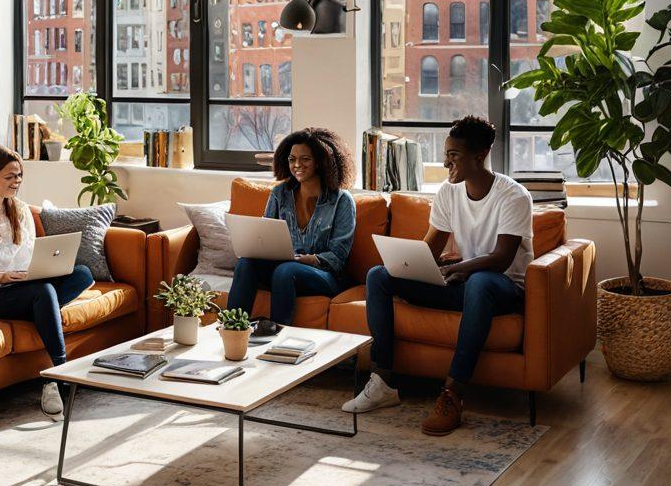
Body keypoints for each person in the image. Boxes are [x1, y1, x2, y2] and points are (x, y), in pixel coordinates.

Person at [343, 115, 533, 436]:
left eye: (454, 155)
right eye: (446, 154)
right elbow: (431, 248)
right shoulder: (448, 192)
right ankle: (384, 381)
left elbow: (501, 260)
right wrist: (410, 263)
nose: (446, 162)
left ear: (480, 155)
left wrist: (459, 267)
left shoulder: (513, 196)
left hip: (501, 289)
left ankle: (453, 393)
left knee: (481, 281)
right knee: (379, 276)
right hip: (463, 284)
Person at [0, 145, 95, 420]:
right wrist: (3, 277)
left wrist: (42, 268)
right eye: (9, 176)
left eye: (19, 176)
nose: (16, 182)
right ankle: (60, 372)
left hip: (24, 286)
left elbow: (30, 256)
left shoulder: (21, 210)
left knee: (82, 274)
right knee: (44, 292)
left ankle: (41, 308)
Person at [227, 127, 356, 326]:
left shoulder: (341, 201)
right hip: (283, 268)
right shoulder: (280, 194)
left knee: (286, 270)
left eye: (305, 159)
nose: (297, 165)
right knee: (246, 263)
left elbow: (338, 257)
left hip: (325, 276)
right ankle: (232, 328)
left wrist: (307, 260)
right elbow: (265, 236)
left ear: (321, 162)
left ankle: (277, 334)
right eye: (292, 159)